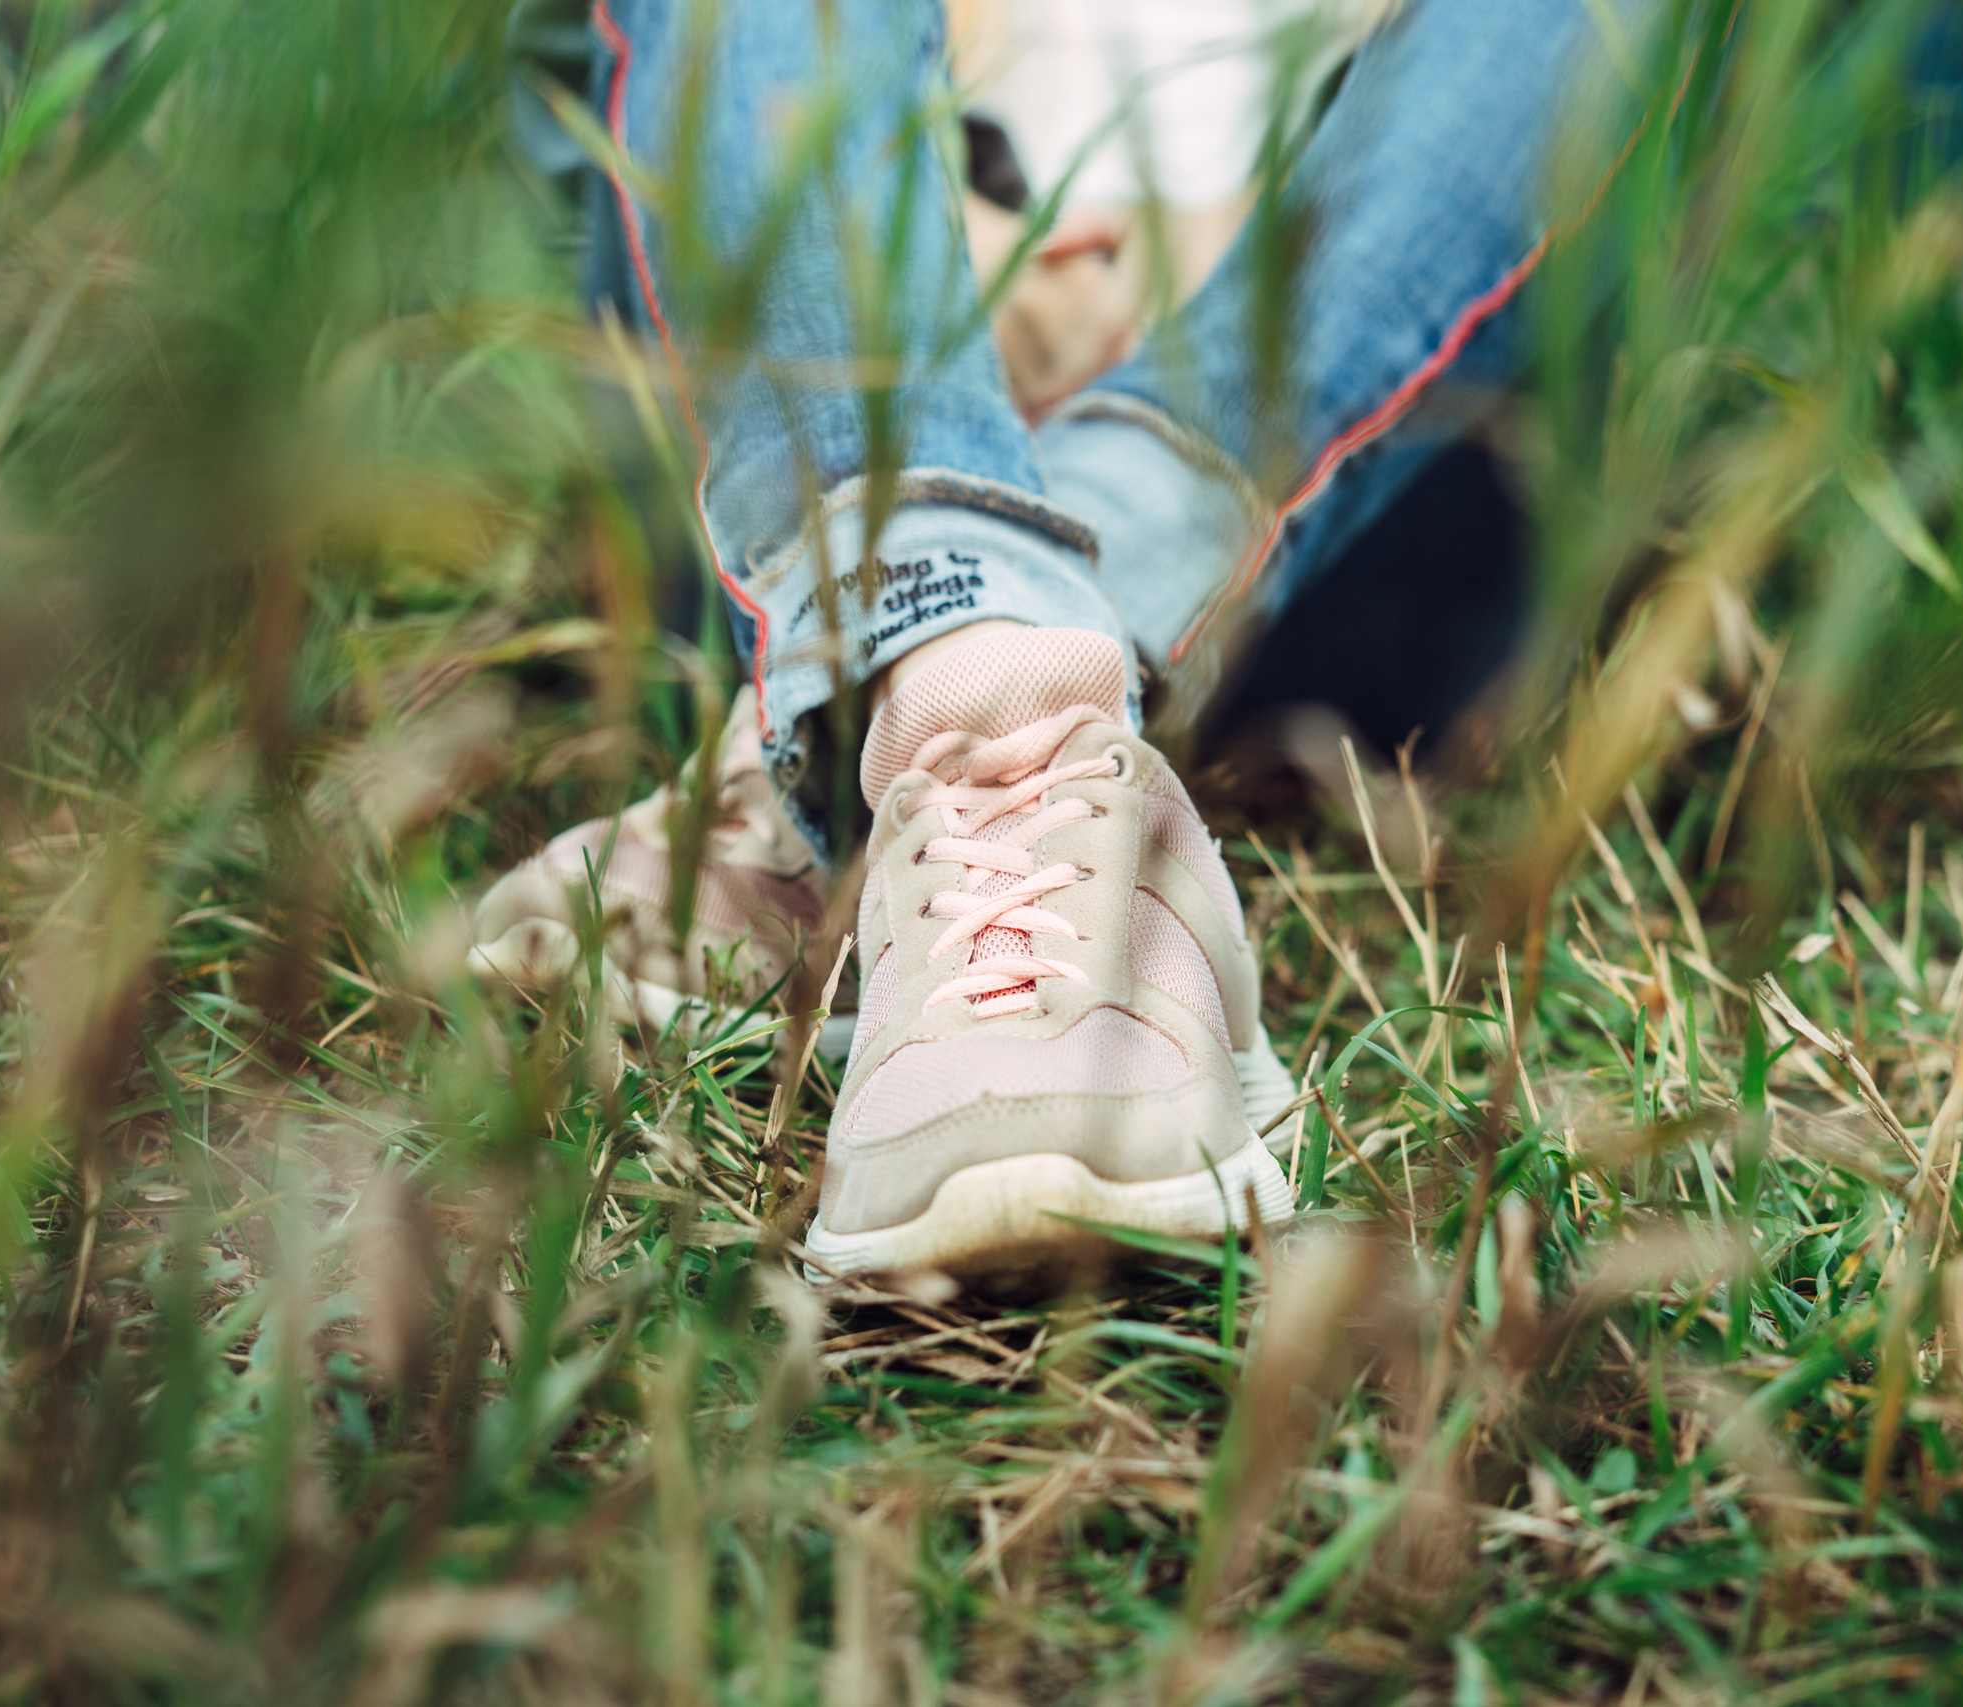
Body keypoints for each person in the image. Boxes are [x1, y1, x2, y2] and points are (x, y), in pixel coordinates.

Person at [475, 0, 1606, 1288]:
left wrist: (1161, 324)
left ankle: (919, 696)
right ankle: (986, 699)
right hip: (756, 481)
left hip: (1344, 539)